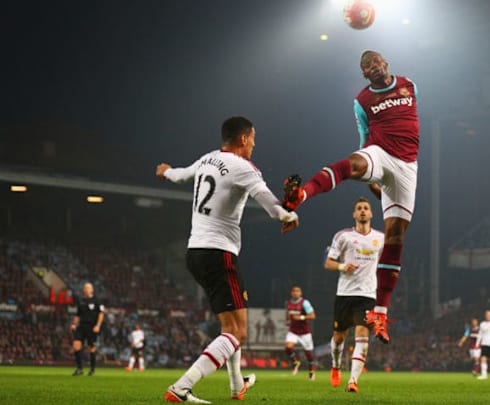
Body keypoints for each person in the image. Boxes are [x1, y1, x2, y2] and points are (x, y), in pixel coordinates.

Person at [156, 116, 300, 403]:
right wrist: (290, 215)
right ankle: (181, 387)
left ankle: (237, 387)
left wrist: (166, 171)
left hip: (195, 252)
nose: (254, 146)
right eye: (254, 139)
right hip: (219, 254)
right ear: (244, 139)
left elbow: (181, 174)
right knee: (239, 332)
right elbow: (272, 206)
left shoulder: (208, 159)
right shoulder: (244, 168)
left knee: (232, 327)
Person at [282, 50, 419, 344]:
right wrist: (372, 172)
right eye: (367, 66)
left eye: (377, 62)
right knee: (351, 164)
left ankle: (380, 313)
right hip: (379, 152)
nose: (374, 67)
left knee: (395, 237)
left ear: (386, 63)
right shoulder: (362, 101)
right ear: (364, 74)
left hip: (408, 166)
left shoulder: (410, 85)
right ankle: (301, 194)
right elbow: (362, 136)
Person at [325, 197, 384, 393]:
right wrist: (342, 266)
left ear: (371, 213)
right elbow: (328, 263)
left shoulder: (380, 239)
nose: (362, 211)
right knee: (339, 337)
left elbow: (386, 264)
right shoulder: (343, 236)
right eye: (359, 208)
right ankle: (335, 365)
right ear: (354, 214)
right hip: (344, 293)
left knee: (362, 334)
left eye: (366, 208)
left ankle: (353, 381)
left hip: (367, 295)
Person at [70, 282, 105, 376]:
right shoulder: (81, 301)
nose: (85, 289)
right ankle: (79, 368)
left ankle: (92, 370)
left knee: (92, 347)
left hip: (92, 327)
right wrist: (74, 324)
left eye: (88, 288)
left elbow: (101, 314)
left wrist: (98, 325)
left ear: (92, 290)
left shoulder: (97, 300)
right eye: (85, 287)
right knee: (76, 344)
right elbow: (78, 314)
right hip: (81, 326)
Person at [284, 286, 317, 381]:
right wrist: (287, 321)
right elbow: (288, 314)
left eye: (297, 291)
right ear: (291, 293)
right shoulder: (288, 303)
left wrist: (301, 317)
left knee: (309, 354)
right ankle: (295, 362)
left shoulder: (305, 303)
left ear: (301, 293)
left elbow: (313, 316)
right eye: (293, 291)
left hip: (304, 332)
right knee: (288, 347)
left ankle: (311, 372)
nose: (295, 293)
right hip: (293, 331)